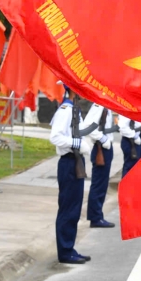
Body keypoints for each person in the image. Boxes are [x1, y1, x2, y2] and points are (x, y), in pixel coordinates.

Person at [49, 84, 97, 264]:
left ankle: (69, 247)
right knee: (68, 208)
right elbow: (55, 137)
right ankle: (65, 251)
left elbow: (80, 131)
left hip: (76, 161)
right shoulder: (65, 110)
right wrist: (77, 144)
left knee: (74, 208)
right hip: (69, 162)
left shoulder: (73, 109)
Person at [80, 102, 118, 228]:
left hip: (105, 147)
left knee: (102, 184)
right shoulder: (99, 106)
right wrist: (102, 139)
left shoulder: (105, 105)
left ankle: (97, 215)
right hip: (101, 148)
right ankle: (95, 217)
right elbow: (87, 126)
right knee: (99, 184)